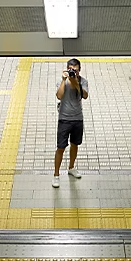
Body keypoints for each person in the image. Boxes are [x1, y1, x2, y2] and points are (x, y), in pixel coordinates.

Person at [53, 58, 89, 188]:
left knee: (75, 145)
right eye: (71, 69)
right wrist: (64, 80)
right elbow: (59, 95)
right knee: (60, 147)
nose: (73, 72)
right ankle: (56, 175)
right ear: (67, 69)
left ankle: (71, 167)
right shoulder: (61, 80)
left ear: (79, 70)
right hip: (64, 119)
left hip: (78, 118)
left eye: (76, 70)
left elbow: (84, 95)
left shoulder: (83, 81)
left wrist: (75, 81)